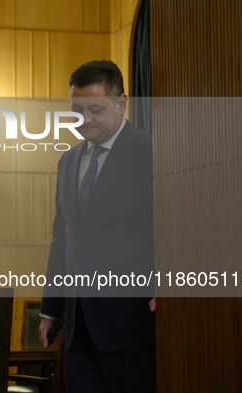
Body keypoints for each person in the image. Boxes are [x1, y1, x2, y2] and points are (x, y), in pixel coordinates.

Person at [39, 60, 156, 392]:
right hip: (78, 331)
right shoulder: (68, 160)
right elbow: (62, 239)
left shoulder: (151, 152)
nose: (85, 120)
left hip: (131, 327)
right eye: (77, 110)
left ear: (121, 103)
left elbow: (173, 231)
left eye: (95, 109)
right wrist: (51, 309)